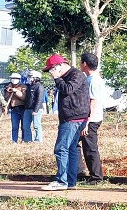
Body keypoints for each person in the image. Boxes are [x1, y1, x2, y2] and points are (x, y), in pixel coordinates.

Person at [41, 54, 90, 191]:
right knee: (70, 149)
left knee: (61, 148)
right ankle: (70, 181)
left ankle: (62, 181)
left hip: (74, 118)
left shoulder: (76, 75)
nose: (50, 74)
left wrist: (57, 78)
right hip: (71, 117)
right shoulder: (69, 76)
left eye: (51, 70)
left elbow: (68, 90)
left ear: (58, 66)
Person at [77, 53, 105, 184]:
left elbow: (92, 102)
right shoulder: (90, 79)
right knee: (79, 145)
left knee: (90, 148)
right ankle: (80, 172)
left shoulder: (93, 80)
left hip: (92, 119)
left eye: (81, 62)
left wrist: (87, 123)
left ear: (85, 64)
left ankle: (96, 177)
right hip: (89, 118)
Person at [4, 73, 31, 143]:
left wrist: (16, 91)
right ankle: (14, 140)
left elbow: (24, 98)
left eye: (15, 78)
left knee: (23, 126)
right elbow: (6, 99)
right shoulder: (8, 87)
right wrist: (8, 91)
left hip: (22, 108)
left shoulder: (23, 87)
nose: (14, 80)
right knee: (14, 127)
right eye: (13, 78)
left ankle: (24, 139)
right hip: (14, 109)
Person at [26, 70, 45, 142]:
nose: (29, 78)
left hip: (36, 110)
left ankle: (38, 139)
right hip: (27, 108)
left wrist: (35, 110)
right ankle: (27, 140)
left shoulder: (39, 87)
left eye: (31, 77)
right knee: (25, 126)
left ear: (36, 78)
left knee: (36, 125)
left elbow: (39, 100)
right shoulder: (29, 86)